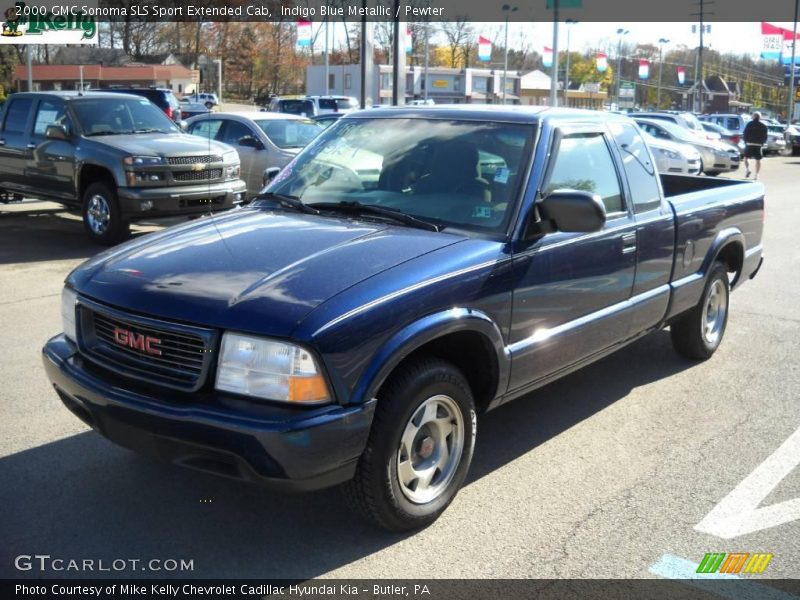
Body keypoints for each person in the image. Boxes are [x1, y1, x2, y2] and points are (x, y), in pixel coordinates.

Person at [742, 112, 768, 180]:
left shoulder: (749, 124)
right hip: (758, 145)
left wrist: (745, 141)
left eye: (752, 116)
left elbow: (745, 134)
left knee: (745, 158)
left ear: (754, 117)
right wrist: (762, 143)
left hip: (749, 144)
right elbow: (765, 137)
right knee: (758, 160)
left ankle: (748, 169)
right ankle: (756, 175)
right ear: (760, 117)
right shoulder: (763, 126)